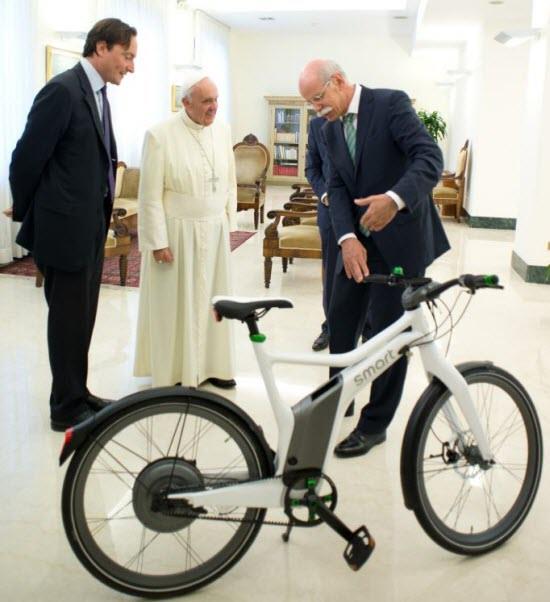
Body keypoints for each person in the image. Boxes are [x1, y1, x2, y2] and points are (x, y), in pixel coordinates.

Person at [299, 59, 450, 458]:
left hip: (400, 242)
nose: (317, 110)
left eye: (318, 99)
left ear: (339, 82)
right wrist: (347, 237)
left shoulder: (390, 105)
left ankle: (374, 424)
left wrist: (394, 199)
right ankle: (338, 400)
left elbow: (430, 159)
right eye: (310, 104)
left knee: (389, 335)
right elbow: (334, 183)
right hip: (356, 243)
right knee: (340, 318)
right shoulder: (329, 128)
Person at [9, 18, 137, 432]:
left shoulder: (98, 94)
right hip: (63, 232)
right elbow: (25, 160)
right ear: (101, 47)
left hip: (88, 229)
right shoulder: (62, 92)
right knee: (66, 322)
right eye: (127, 55)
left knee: (82, 318)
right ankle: (64, 407)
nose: (130, 66)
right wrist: (31, 215)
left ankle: (77, 393)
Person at [134, 72, 237, 389]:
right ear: (186, 102)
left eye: (216, 99)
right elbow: (149, 195)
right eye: (207, 101)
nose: (214, 107)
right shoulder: (159, 135)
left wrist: (228, 225)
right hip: (176, 234)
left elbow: (230, 182)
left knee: (214, 299)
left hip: (214, 229)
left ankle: (213, 366)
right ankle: (175, 371)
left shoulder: (222, 130)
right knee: (174, 304)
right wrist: (156, 241)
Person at [305, 116, 335, 353]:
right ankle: (330, 326)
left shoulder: (364, 120)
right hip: (329, 211)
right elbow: (312, 167)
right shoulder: (316, 125)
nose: (316, 105)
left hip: (364, 212)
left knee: (365, 272)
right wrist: (324, 194)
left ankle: (367, 329)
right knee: (331, 275)